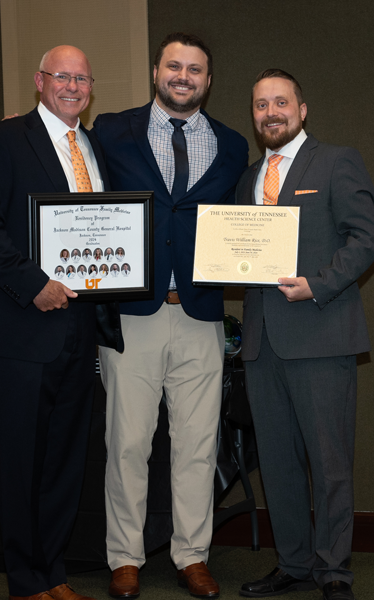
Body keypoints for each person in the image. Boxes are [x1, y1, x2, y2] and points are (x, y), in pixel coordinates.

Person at [94, 32, 248, 599]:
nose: (183, 76)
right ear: (156, 71)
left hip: (202, 315)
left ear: (208, 80)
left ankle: (191, 555)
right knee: (129, 441)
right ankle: (125, 557)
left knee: (197, 442)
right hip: (134, 312)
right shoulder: (110, 130)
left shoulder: (232, 144)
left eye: (196, 70)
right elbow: (72, 180)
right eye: (174, 66)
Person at [0, 45, 123, 600]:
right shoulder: (3, 139)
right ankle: (24, 581)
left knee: (64, 459)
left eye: (82, 78)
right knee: (21, 460)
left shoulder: (94, 146)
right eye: (62, 76)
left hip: (80, 328)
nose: (73, 86)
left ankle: (53, 572)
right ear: (40, 81)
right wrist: (32, 284)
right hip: (23, 328)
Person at [235, 69, 374, 600]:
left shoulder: (337, 161)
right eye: (261, 105)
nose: (271, 113)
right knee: (278, 461)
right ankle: (293, 563)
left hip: (321, 334)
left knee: (330, 460)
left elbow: (365, 238)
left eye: (281, 103)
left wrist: (317, 285)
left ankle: (334, 570)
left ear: (302, 108)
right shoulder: (248, 176)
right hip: (262, 341)